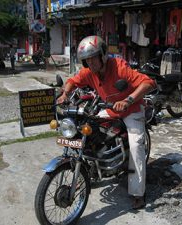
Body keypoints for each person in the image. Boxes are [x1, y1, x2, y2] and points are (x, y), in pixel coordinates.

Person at [57, 35, 156, 209]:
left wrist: (128, 100)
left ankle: (138, 193)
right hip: (110, 110)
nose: (91, 63)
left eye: (93, 58)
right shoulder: (89, 72)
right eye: (87, 60)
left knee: (136, 147)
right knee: (88, 129)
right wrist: (65, 93)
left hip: (132, 110)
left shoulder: (119, 67)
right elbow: (73, 80)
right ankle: (92, 169)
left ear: (103, 55)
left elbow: (148, 82)